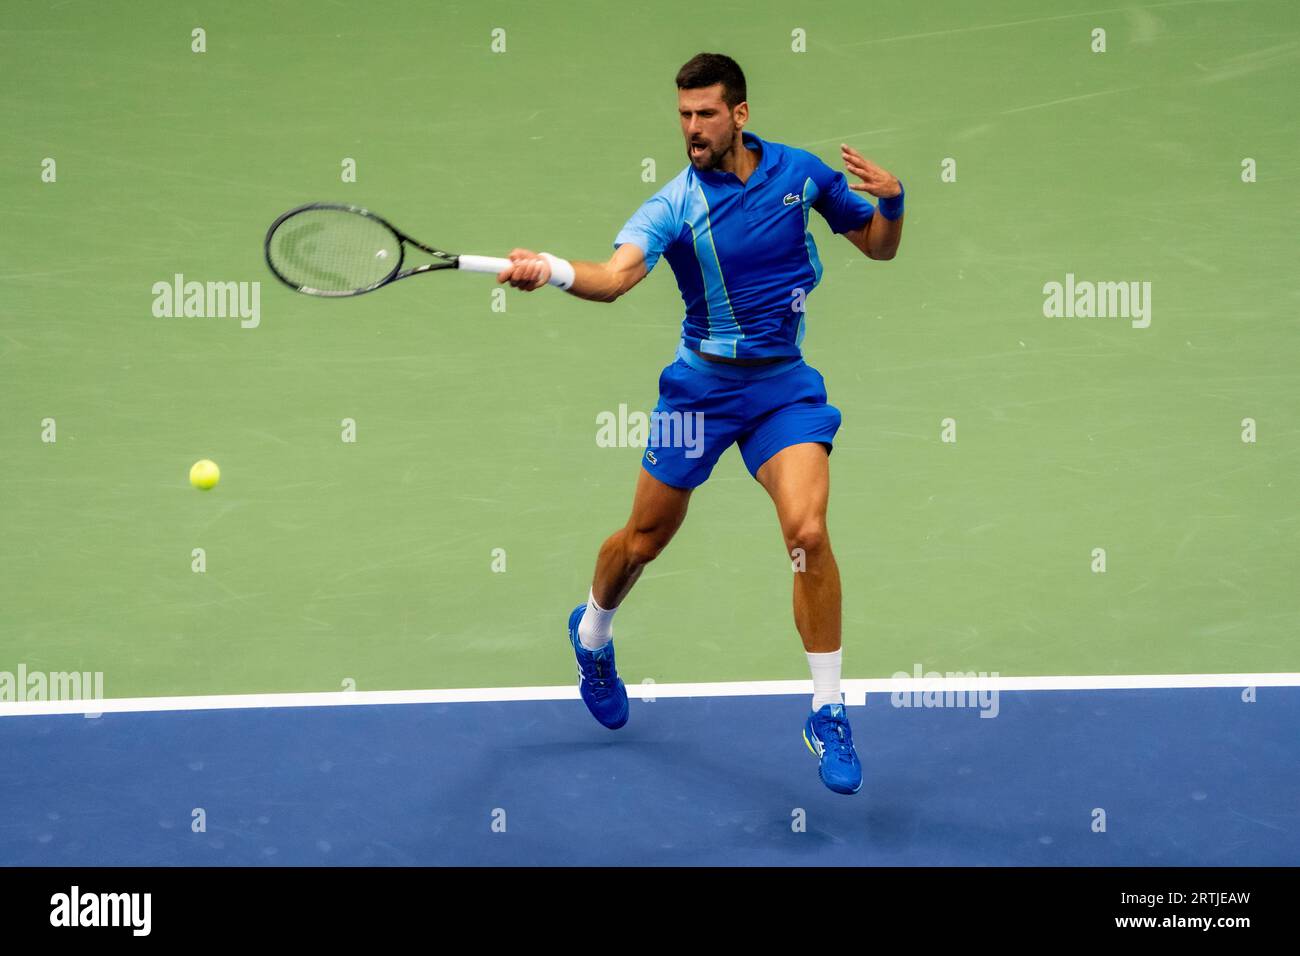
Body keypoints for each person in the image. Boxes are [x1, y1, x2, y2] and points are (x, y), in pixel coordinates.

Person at [496, 52, 905, 794]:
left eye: (705, 114)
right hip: (698, 396)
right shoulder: (675, 204)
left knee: (808, 534)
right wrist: (552, 268)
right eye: (683, 114)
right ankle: (592, 633)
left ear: (739, 115)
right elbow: (616, 277)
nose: (691, 128)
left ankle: (828, 710)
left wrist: (896, 201)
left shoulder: (800, 174)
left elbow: (877, 245)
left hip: (783, 388)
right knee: (644, 540)